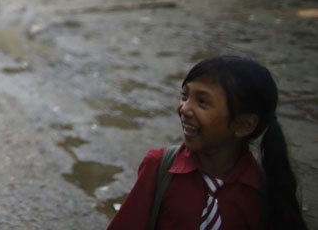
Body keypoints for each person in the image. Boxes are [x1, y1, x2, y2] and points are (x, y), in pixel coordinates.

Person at [107, 55, 308, 230]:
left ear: (243, 124)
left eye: (202, 101)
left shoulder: (262, 190)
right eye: (184, 95)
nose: (184, 109)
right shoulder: (160, 167)